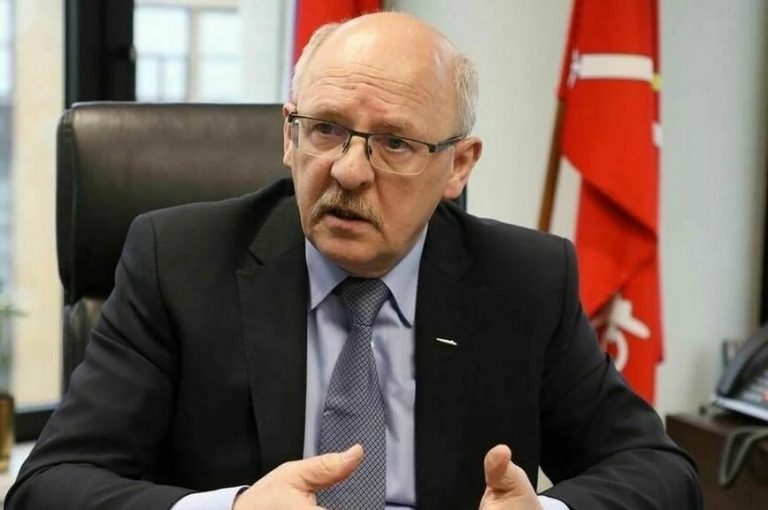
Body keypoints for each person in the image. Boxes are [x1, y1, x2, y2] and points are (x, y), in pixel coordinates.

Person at [7, 12, 701, 510]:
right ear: (289, 136)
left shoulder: (524, 281)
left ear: (459, 165)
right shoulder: (178, 262)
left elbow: (660, 472)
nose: (347, 170)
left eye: (394, 143)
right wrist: (232, 509)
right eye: (326, 129)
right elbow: (49, 485)